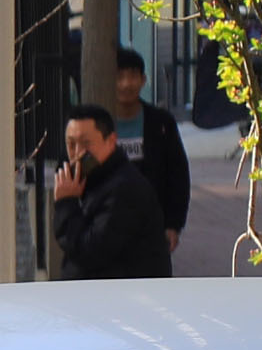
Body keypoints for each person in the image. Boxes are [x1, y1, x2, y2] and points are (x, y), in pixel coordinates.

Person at [52, 100, 171, 279]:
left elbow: (90, 251)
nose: (77, 153)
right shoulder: (89, 179)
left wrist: (66, 203)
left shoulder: (125, 188)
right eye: (71, 144)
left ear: (111, 141)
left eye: (86, 144)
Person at [116, 46, 190, 257]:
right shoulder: (98, 123)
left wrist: (174, 225)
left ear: (143, 80)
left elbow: (178, 175)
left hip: (152, 226)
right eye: (119, 76)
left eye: (132, 76)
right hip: (109, 226)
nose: (126, 84)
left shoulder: (161, 123)